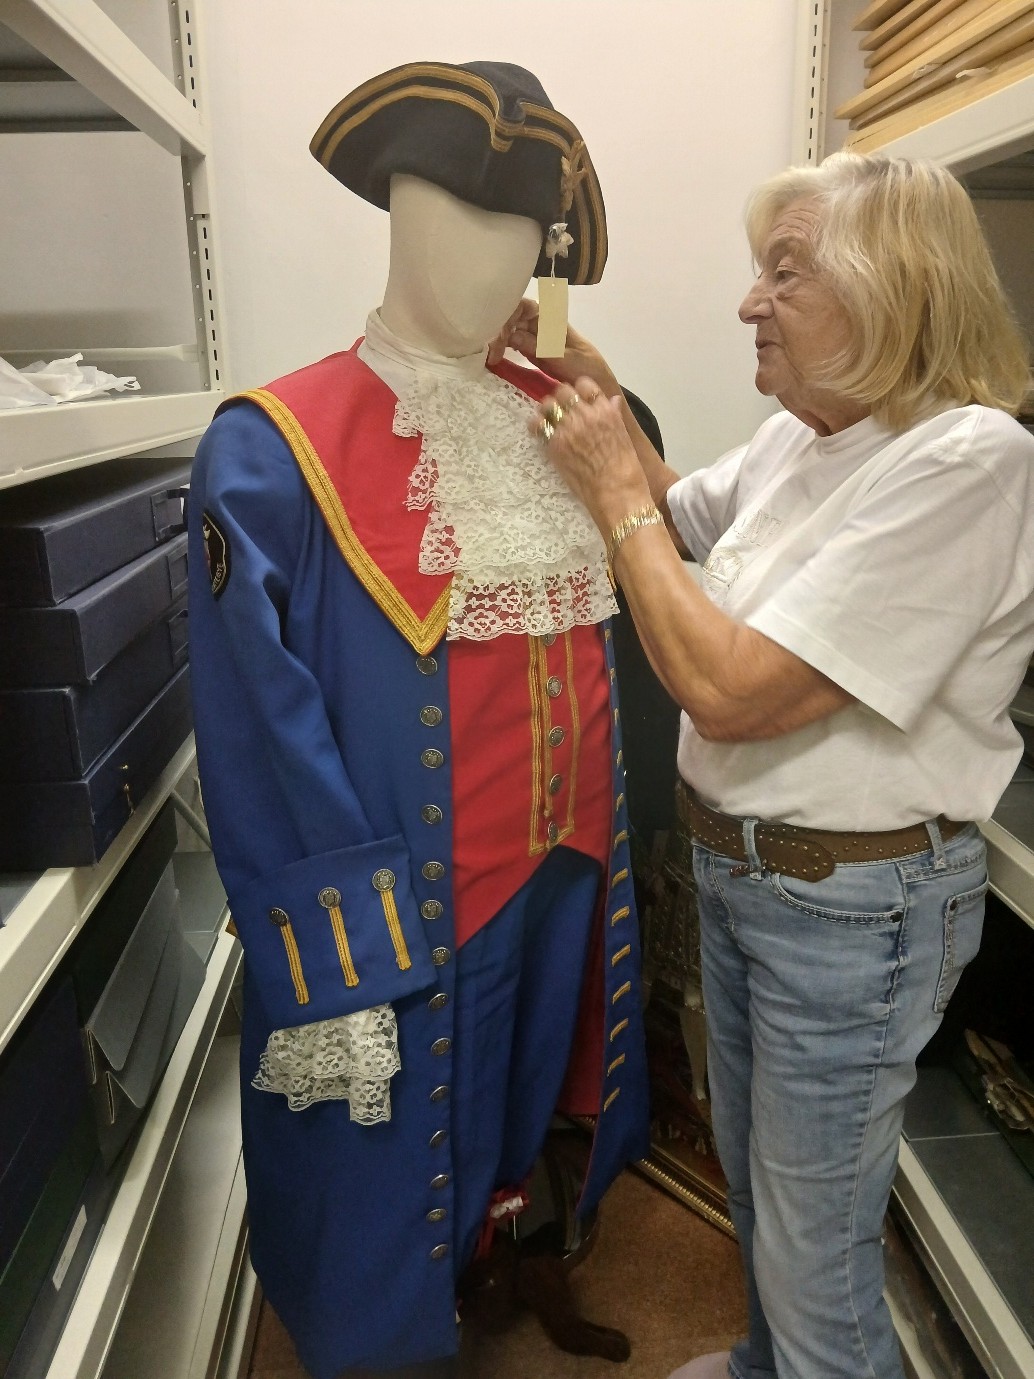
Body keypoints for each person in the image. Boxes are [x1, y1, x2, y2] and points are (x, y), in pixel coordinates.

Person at [505, 151, 1034, 1379]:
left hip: (847, 913)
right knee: (762, 1193)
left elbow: (729, 688)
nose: (748, 301)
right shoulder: (812, 437)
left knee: (815, 1249)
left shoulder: (966, 461)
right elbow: (678, 509)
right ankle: (761, 1367)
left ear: (891, 285)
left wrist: (605, 494)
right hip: (754, 883)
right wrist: (604, 394)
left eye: (781, 272)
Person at [187, 61, 649, 1379]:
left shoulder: (560, 422)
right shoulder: (273, 442)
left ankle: (511, 1246)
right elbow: (257, 726)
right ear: (394, 212)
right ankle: (386, 1325)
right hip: (411, 885)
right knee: (386, 1146)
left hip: (566, 863)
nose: (495, 258)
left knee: (529, 1092)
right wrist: (337, 942)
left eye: (520, 231)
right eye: (460, 216)